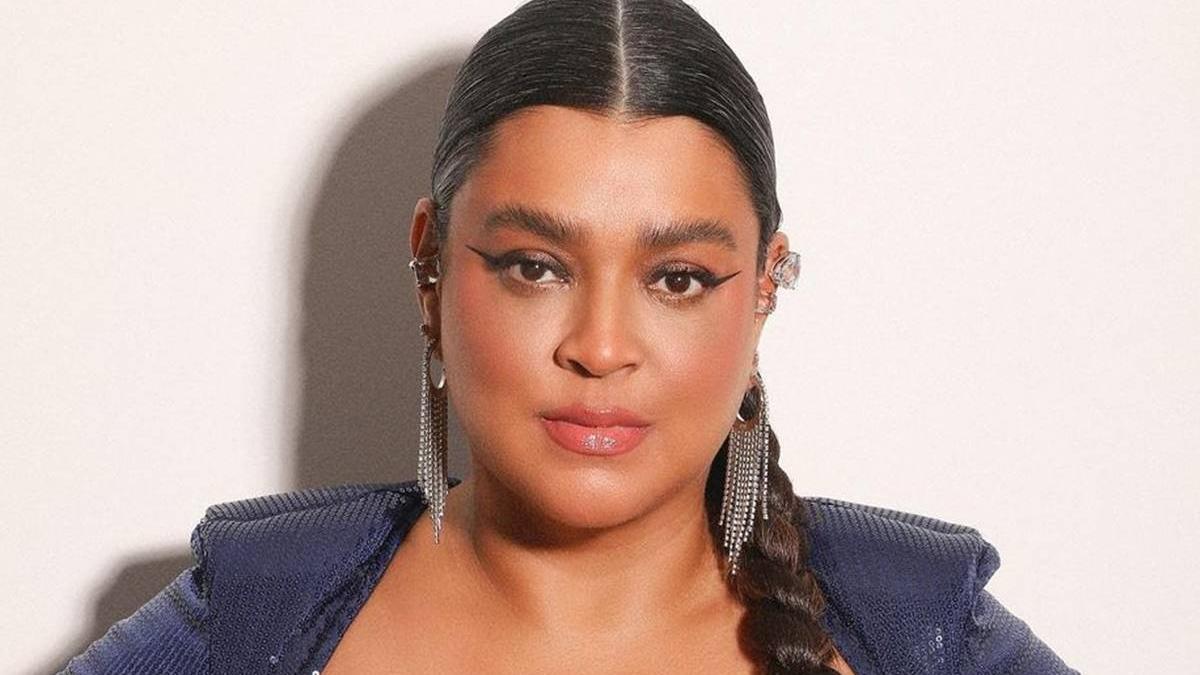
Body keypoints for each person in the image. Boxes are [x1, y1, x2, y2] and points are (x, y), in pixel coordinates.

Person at [62, 1, 1079, 673]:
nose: (599, 346)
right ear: (430, 267)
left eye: (678, 278)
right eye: (535, 266)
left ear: (765, 286)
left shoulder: (920, 627)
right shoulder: (254, 614)